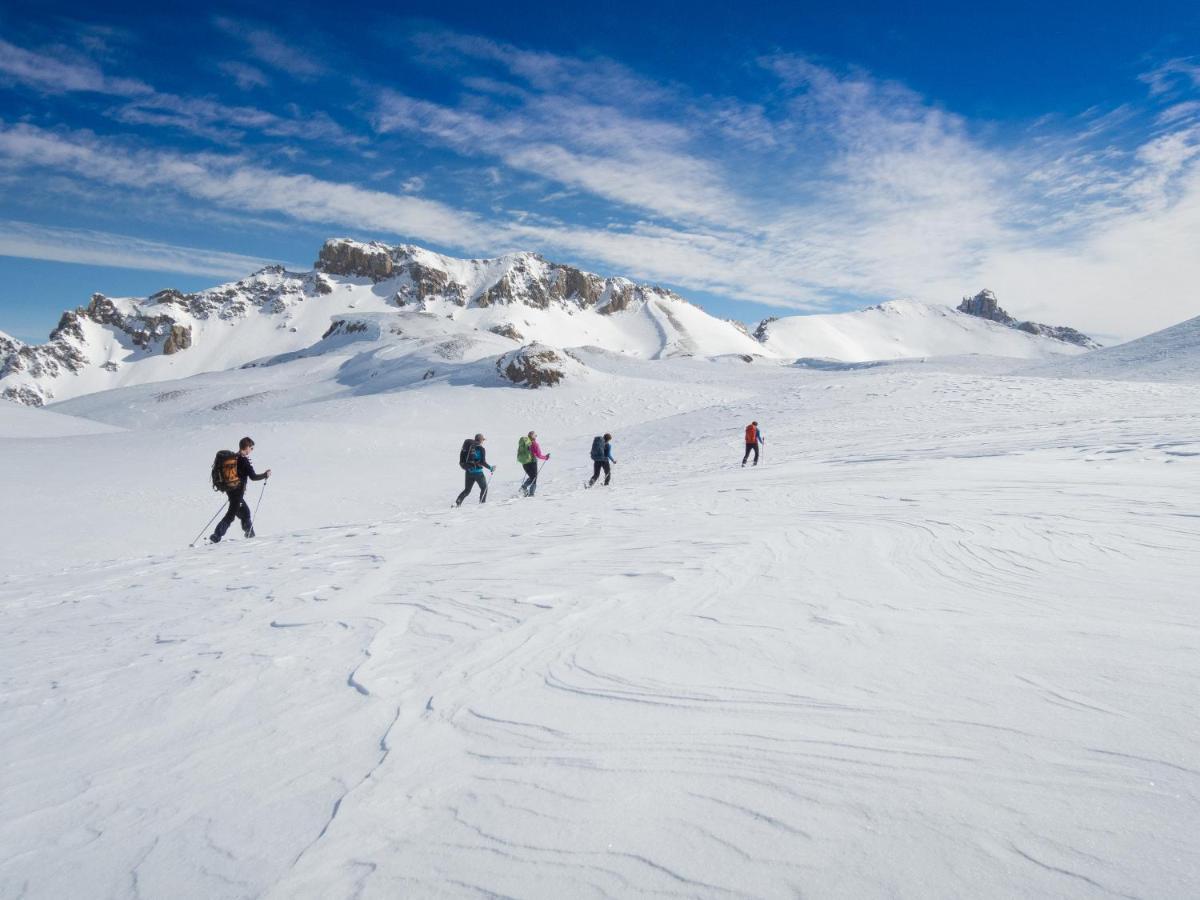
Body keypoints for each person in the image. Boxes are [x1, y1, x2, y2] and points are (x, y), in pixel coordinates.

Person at [211, 436, 271, 543]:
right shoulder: (244, 460)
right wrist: (265, 475)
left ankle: (249, 532)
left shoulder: (234, 458)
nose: (251, 451)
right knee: (231, 514)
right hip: (237, 491)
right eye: (251, 448)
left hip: (231, 490)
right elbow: (253, 477)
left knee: (245, 512)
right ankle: (216, 536)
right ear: (247, 447)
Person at [456, 433, 495, 506]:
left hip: (468, 471)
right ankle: (482, 504)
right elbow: (482, 462)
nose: (483, 441)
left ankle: (458, 502)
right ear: (481, 440)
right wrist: (490, 468)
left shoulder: (469, 447)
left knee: (467, 490)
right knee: (484, 488)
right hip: (478, 473)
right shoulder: (481, 449)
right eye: (483, 440)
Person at [518, 430, 550, 497]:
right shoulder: (535, 444)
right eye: (535, 435)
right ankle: (531, 494)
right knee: (534, 478)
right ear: (533, 437)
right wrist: (546, 457)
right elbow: (539, 455)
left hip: (524, 463)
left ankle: (524, 488)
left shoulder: (525, 444)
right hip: (532, 463)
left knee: (531, 477)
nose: (536, 436)